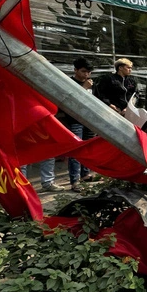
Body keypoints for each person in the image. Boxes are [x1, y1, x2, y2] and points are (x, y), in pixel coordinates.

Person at [58, 57, 96, 191]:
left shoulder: (91, 83)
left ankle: (85, 174)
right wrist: (83, 89)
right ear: (75, 70)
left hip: (89, 120)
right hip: (75, 120)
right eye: (84, 71)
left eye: (89, 72)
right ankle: (74, 181)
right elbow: (67, 101)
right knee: (76, 150)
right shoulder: (69, 82)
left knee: (87, 149)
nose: (86, 75)